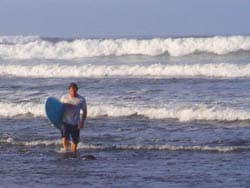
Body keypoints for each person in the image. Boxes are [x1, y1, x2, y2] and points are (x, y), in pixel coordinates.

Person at [60, 82, 87, 152]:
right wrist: (56, 119)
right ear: (69, 90)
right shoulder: (64, 98)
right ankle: (65, 150)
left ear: (77, 90)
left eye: (75, 90)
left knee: (75, 142)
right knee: (65, 137)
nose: (73, 92)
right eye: (72, 90)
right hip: (65, 121)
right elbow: (58, 108)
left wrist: (82, 122)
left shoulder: (81, 99)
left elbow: (85, 111)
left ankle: (73, 152)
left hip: (76, 123)